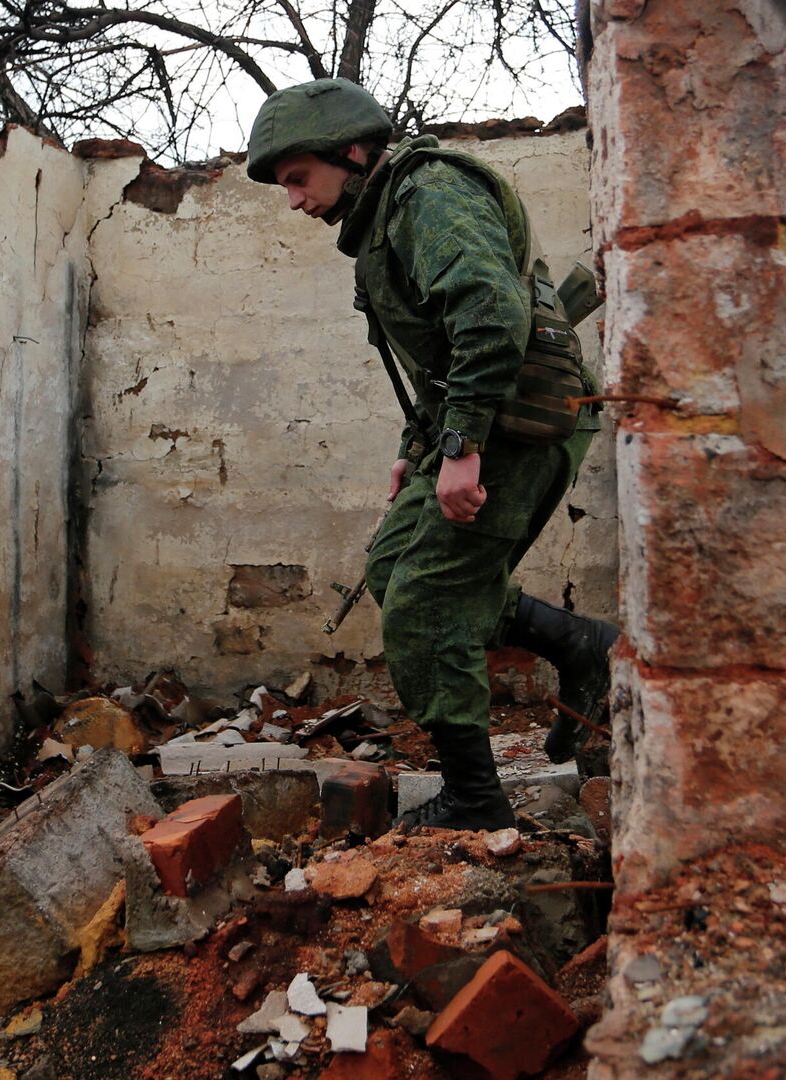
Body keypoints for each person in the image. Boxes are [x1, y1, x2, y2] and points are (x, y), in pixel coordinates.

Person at [246, 78, 619, 830]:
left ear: (350, 151)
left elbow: (488, 314)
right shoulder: (390, 211)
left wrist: (463, 448)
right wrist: (415, 449)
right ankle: (578, 644)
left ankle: (476, 800)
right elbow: (441, 356)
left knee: (428, 597)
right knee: (393, 568)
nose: (292, 200)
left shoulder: (429, 196)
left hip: (522, 420)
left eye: (297, 178)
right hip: (485, 415)